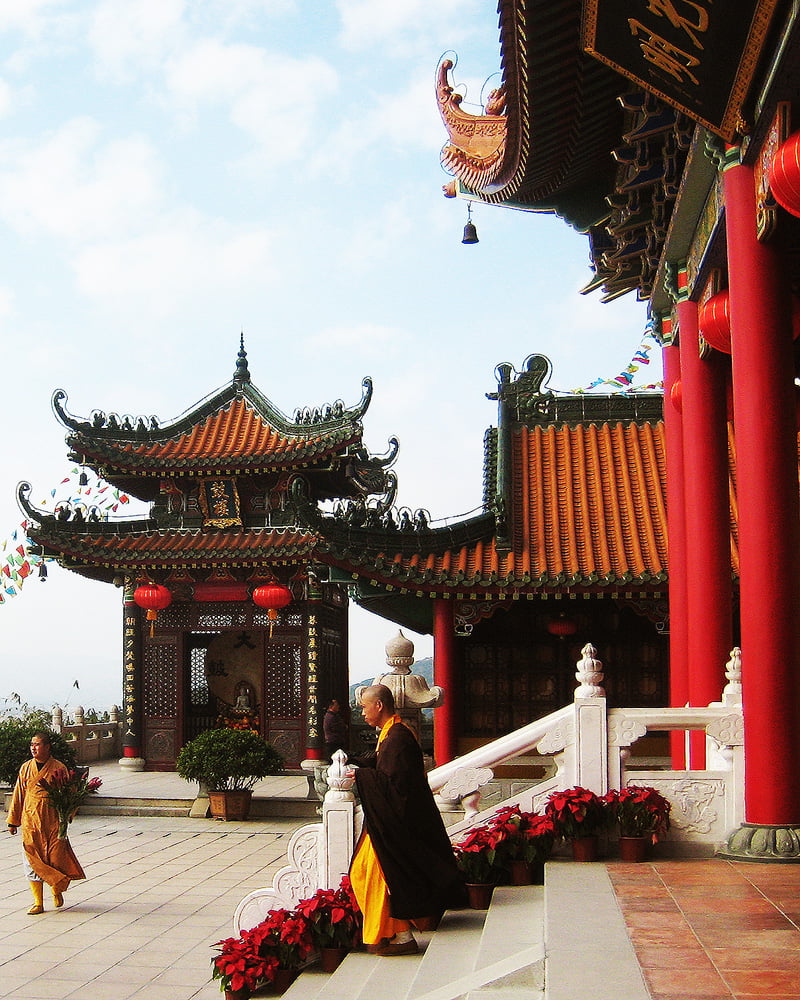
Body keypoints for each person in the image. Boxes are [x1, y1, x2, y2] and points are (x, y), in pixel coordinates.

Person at [349, 684, 465, 956]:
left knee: (373, 875)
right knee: (364, 873)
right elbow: (382, 765)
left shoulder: (398, 737)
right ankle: (390, 933)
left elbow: (396, 785)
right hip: (390, 821)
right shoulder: (391, 733)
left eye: (365, 707)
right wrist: (359, 765)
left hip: (401, 823)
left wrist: (361, 777)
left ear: (379, 706)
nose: (362, 712)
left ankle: (402, 937)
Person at [7, 732, 85, 914]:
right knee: (32, 861)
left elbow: (69, 793)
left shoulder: (58, 767)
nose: (34, 748)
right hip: (31, 821)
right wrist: (13, 821)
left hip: (52, 821)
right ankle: (38, 902)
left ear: (47, 747)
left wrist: (67, 814)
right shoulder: (26, 768)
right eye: (31, 745)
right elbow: (19, 793)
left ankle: (56, 888)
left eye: (38, 744)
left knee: (55, 859)